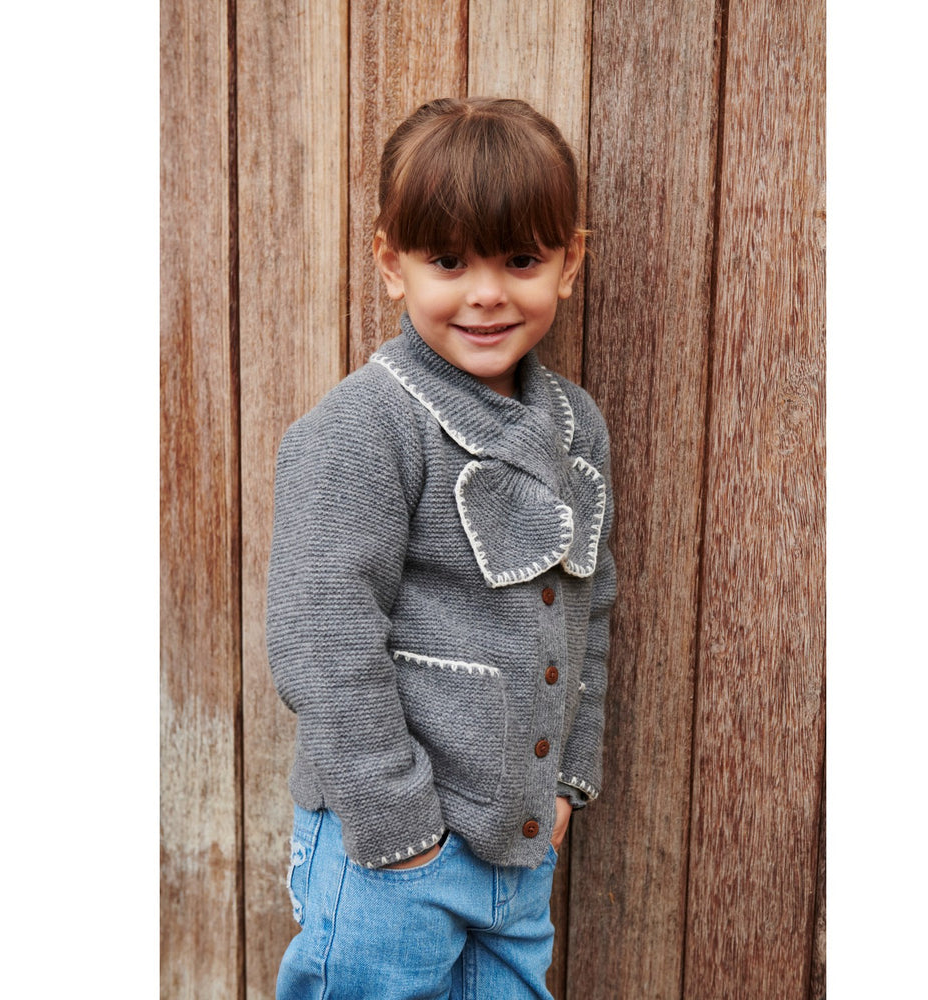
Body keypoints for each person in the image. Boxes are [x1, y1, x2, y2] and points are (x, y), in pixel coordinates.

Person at [266, 96, 616, 1000]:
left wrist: (567, 781)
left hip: (519, 848)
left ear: (569, 263)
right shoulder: (364, 428)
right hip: (389, 856)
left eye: (521, 260)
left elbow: (591, 612)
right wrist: (400, 832)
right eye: (449, 261)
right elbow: (322, 640)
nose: (486, 292)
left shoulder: (576, 427)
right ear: (393, 264)